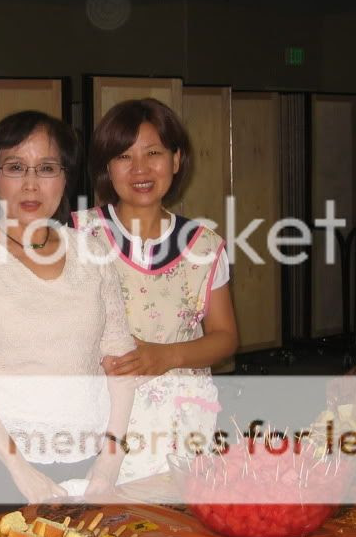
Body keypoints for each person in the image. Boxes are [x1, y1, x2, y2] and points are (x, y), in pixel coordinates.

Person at [0, 110, 137, 520]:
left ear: (65, 178)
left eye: (46, 168)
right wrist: (22, 473)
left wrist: (108, 464)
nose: (31, 183)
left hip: (90, 465)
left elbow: (120, 364)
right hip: (0, 469)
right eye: (15, 167)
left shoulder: (93, 254)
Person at [74, 98, 238, 482]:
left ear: (176, 159)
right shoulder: (78, 236)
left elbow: (225, 337)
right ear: (107, 167)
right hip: (101, 424)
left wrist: (167, 356)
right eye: (124, 156)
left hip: (183, 427)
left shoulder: (203, 245)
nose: (140, 169)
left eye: (153, 153)